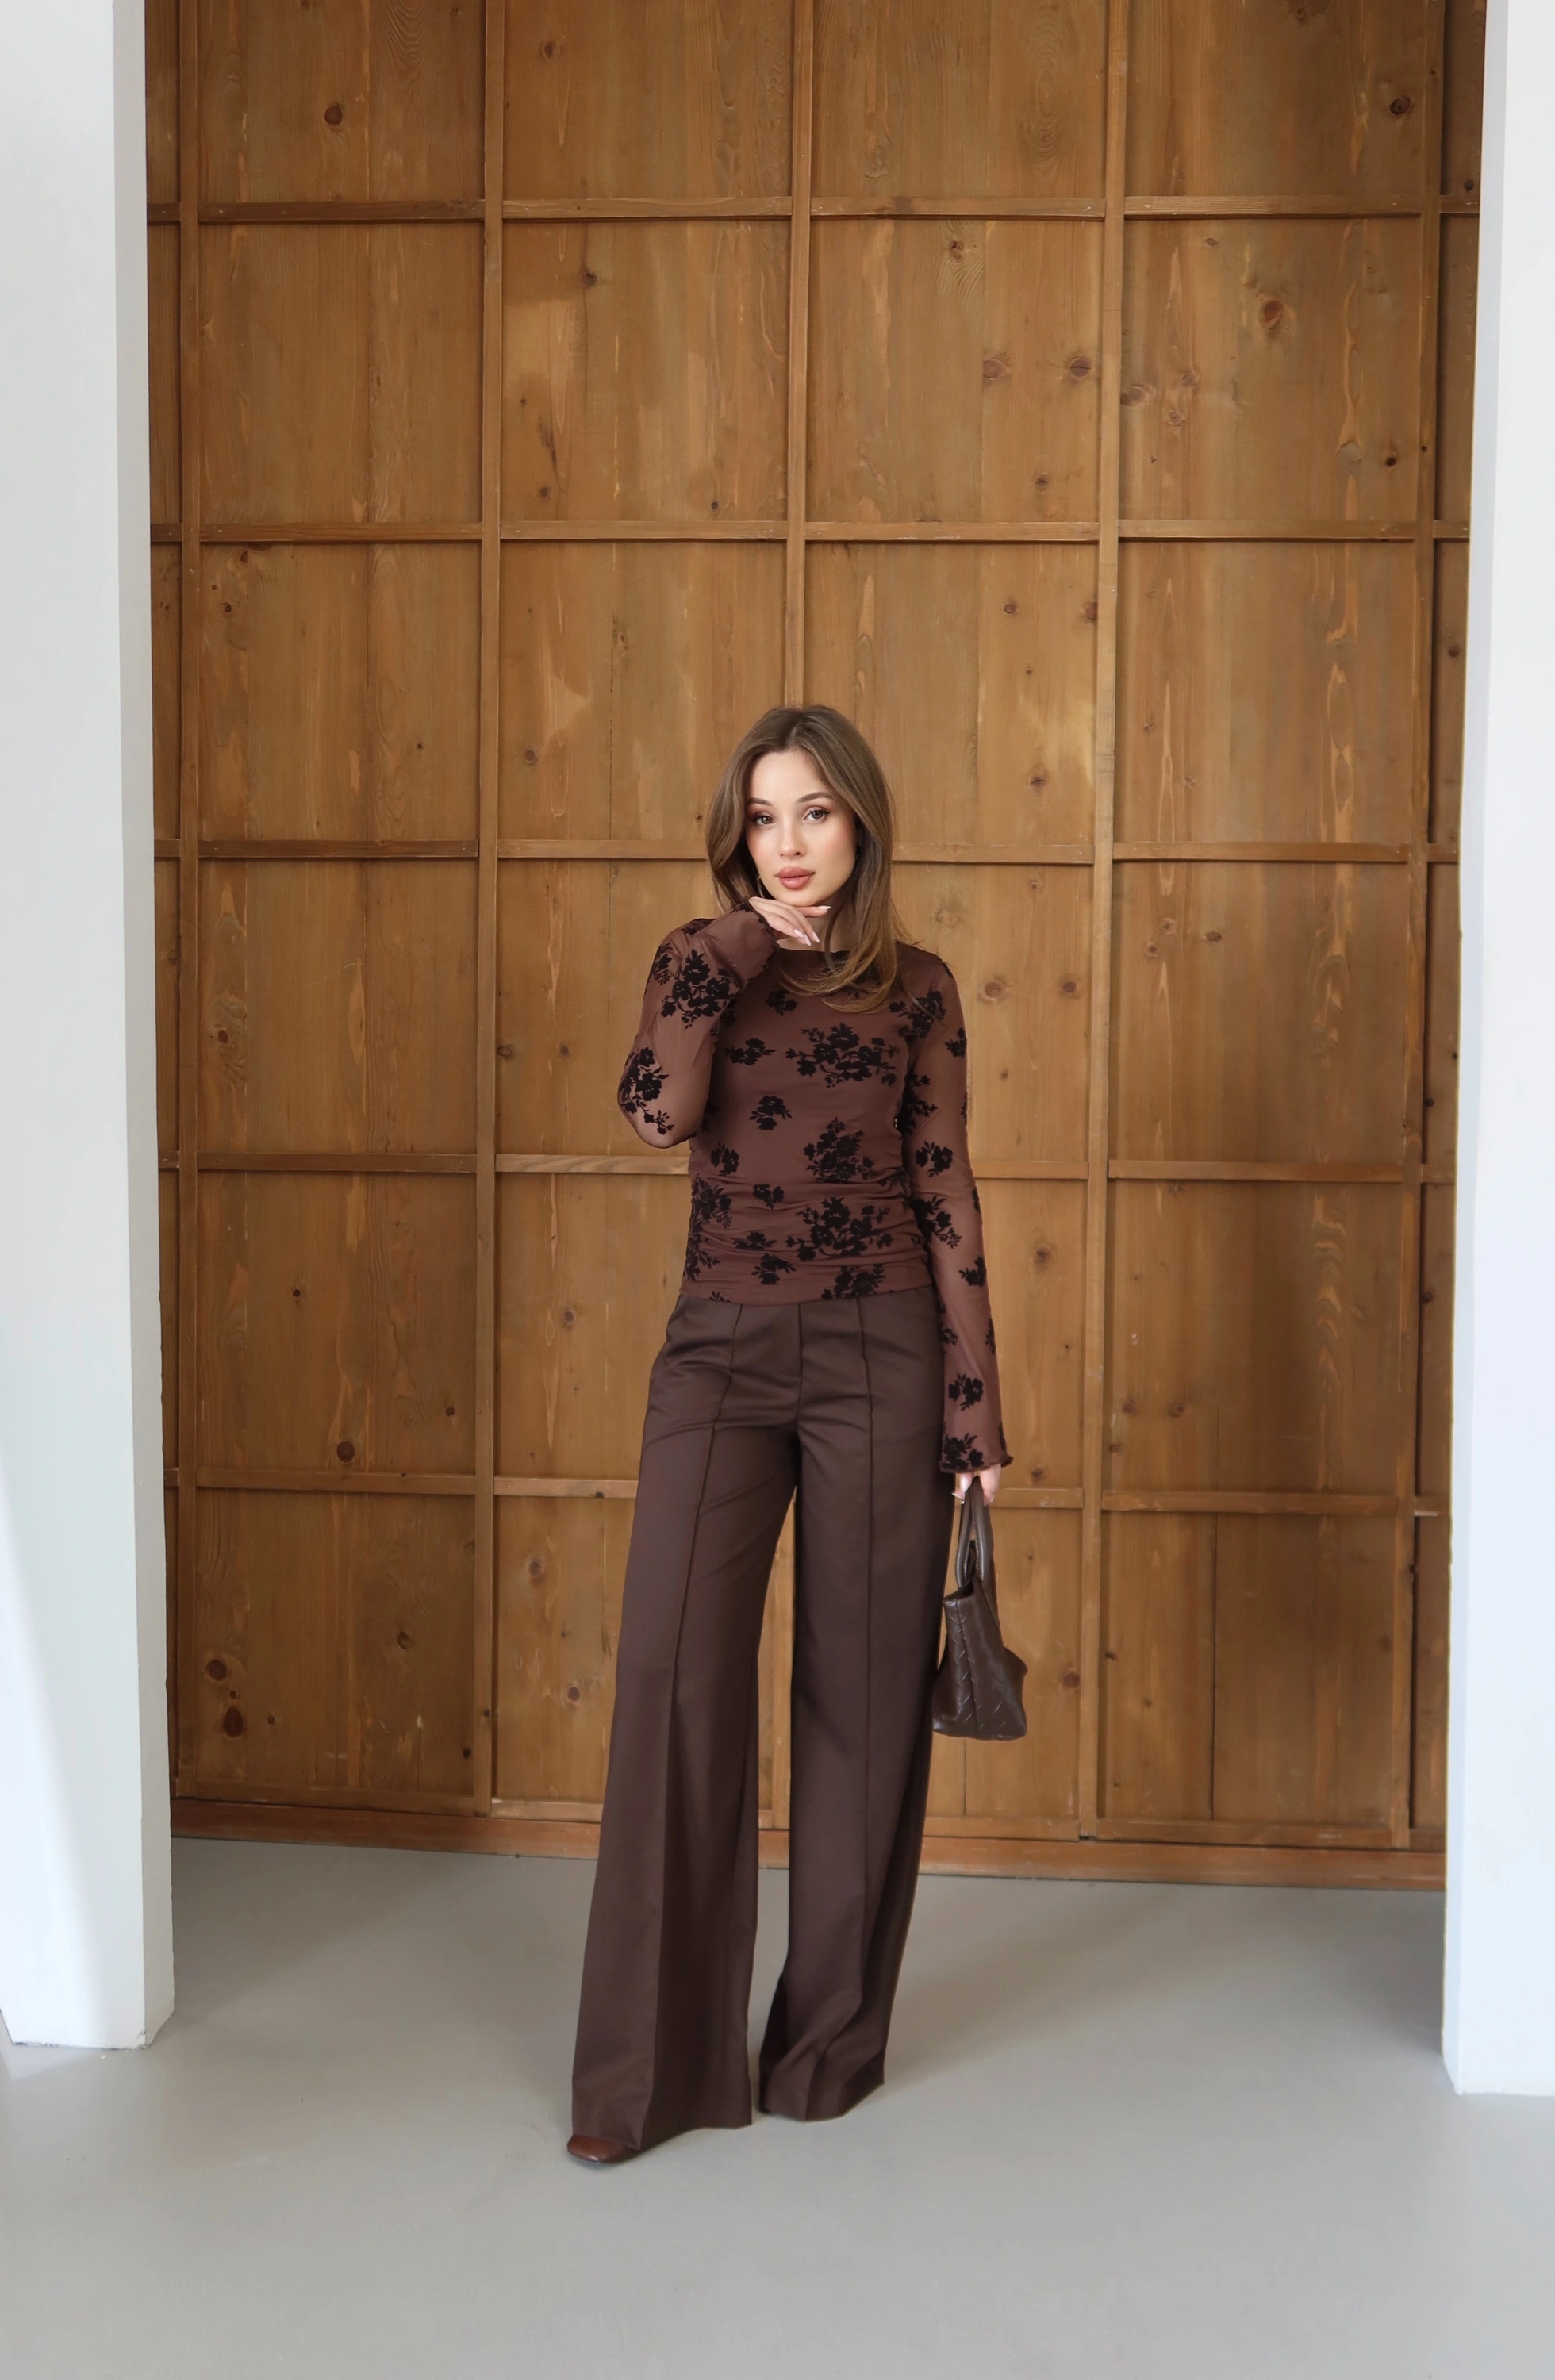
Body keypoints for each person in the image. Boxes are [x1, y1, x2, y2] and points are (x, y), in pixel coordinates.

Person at [566, 704, 1007, 2164]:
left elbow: (946, 1188)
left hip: (884, 1349)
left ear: (861, 822)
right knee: (672, 1674)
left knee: (862, 1698)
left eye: (815, 812)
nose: (791, 844)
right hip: (720, 1354)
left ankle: (827, 2049)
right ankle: (651, 2078)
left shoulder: (919, 989)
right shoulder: (698, 963)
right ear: (736, 833)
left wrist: (976, 1405)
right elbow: (654, 1114)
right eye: (765, 817)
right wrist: (731, 952)